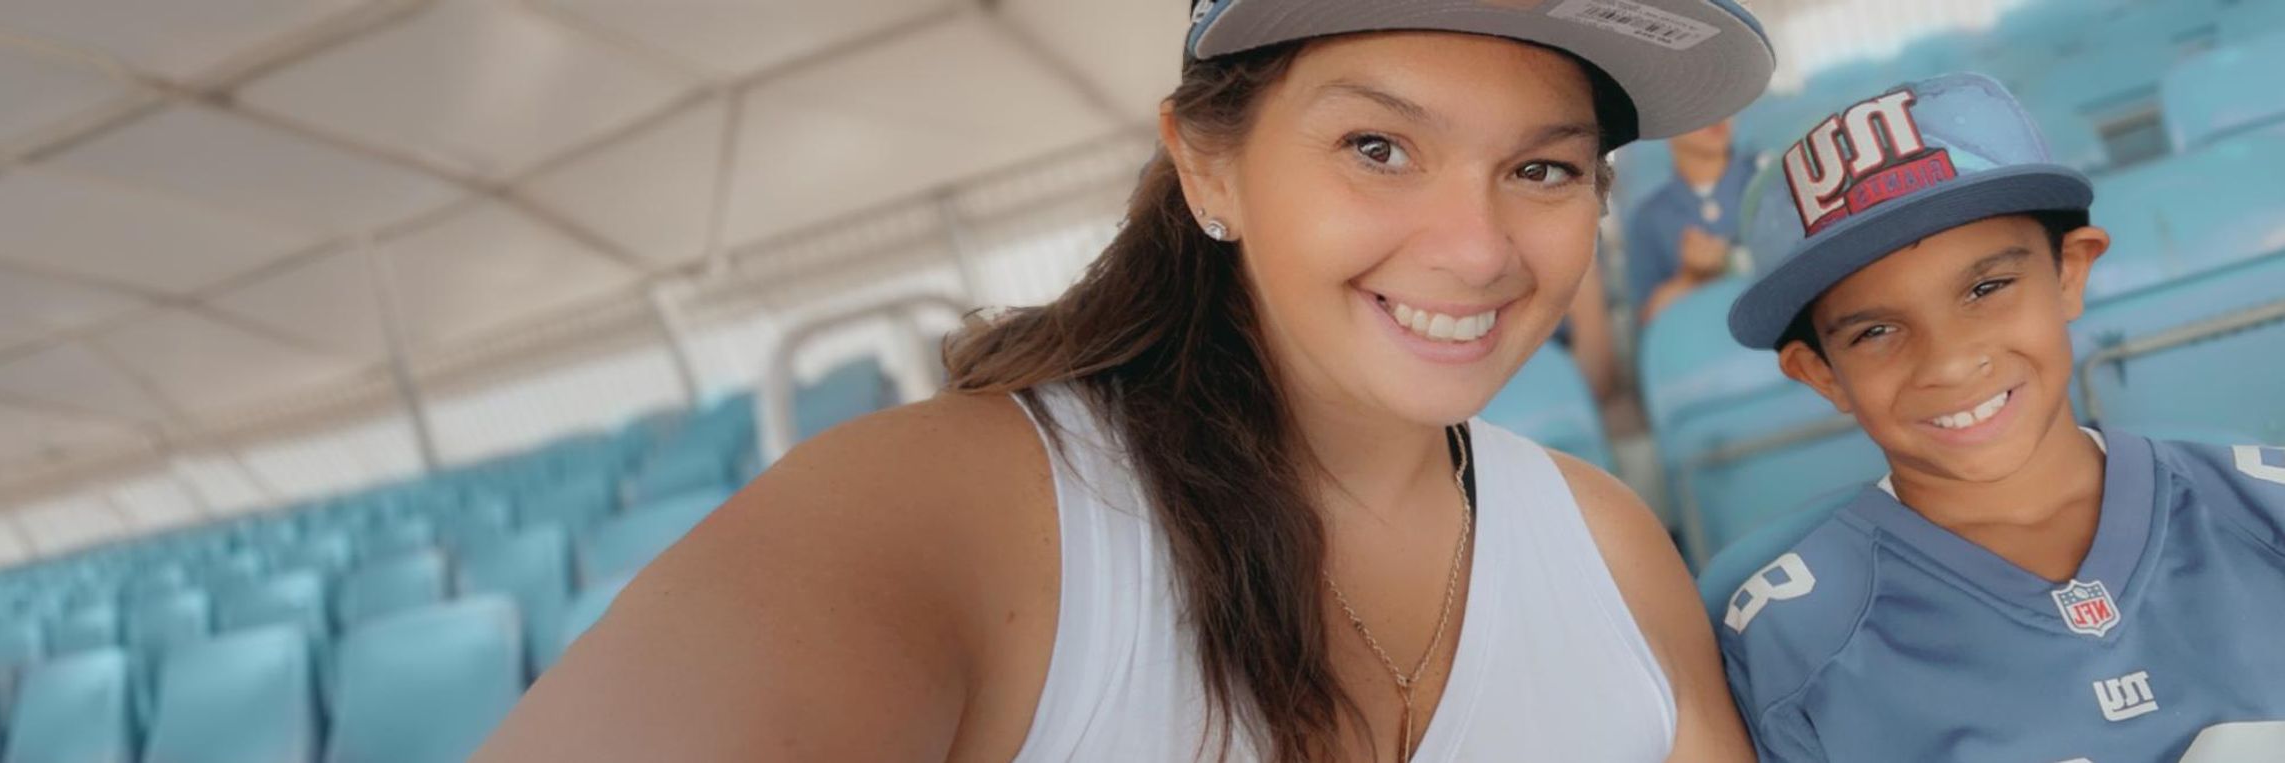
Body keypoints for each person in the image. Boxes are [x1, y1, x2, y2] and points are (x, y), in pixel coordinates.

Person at [478, 1, 1774, 760]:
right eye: (1378, 145)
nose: (1477, 245)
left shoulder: (1610, 549)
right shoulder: (956, 512)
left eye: (1542, 169)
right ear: (1206, 166)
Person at [1715, 73, 2285, 762]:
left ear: (2070, 273)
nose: (1950, 362)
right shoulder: (1794, 641)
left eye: (1986, 288)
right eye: (1874, 331)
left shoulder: (2264, 511)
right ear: (1819, 372)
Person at [1627, 117, 1760, 323]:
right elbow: (1649, 322)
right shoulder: (1649, 219)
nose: (1716, 112)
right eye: (1695, 104)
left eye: (1721, 96)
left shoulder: (1768, 178)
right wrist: (1690, 278)